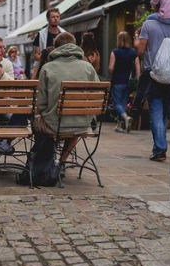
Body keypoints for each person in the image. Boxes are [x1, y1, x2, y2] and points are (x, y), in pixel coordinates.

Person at [35, 32, 99, 167]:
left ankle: (46, 162)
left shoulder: (47, 68)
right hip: (82, 124)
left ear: (56, 48)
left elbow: (40, 104)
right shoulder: (88, 67)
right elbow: (97, 94)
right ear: (74, 46)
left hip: (54, 125)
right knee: (74, 121)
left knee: (38, 121)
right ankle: (62, 162)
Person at [136, 11, 170, 162]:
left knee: (157, 111)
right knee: (169, 109)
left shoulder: (148, 25)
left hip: (153, 76)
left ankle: (160, 150)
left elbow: (140, 50)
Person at [109, 31, 140, 133]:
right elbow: (138, 68)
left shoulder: (115, 52)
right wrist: (137, 79)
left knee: (116, 103)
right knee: (123, 103)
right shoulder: (133, 53)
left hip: (117, 81)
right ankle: (119, 125)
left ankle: (126, 118)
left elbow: (111, 68)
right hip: (128, 81)